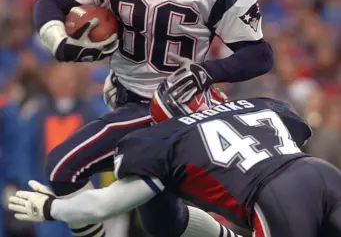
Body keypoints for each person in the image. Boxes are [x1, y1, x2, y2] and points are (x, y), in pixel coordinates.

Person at [33, 0, 273, 237]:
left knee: (64, 167)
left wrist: (206, 72)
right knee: (163, 222)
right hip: (128, 95)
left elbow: (258, 55)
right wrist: (60, 43)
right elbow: (51, 1)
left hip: (180, 106)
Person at [10, 83, 341, 237]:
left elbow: (101, 207)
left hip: (276, 197)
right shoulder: (263, 104)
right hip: (322, 173)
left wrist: (50, 208)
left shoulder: (164, 139)